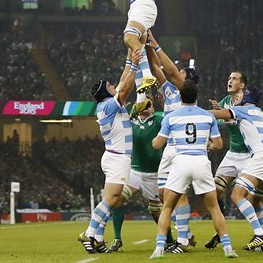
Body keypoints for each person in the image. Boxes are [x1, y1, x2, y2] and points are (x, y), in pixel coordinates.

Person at [149, 80, 237, 259]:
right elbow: (219, 145)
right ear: (197, 96)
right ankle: (227, 247)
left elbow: (158, 144)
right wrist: (208, 147)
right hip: (200, 162)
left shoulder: (171, 117)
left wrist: (154, 140)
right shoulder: (208, 116)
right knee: (213, 208)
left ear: (180, 97)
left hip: (180, 162)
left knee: (167, 207)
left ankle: (159, 249)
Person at [77, 49, 141, 254]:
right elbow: (125, 87)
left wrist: (130, 61)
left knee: (112, 199)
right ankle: (88, 233)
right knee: (111, 199)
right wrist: (136, 66)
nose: (114, 85)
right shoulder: (107, 105)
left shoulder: (107, 105)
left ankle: (97, 238)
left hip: (115, 156)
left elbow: (122, 82)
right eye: (110, 86)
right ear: (106, 92)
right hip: (117, 158)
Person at [144, 31, 199, 252]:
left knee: (179, 194)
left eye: (182, 71)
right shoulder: (169, 92)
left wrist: (155, 43)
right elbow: (157, 69)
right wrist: (147, 46)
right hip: (169, 149)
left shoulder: (188, 93)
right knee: (162, 194)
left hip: (182, 149)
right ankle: (185, 232)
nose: (178, 71)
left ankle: (183, 240)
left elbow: (169, 70)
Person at [209, 86, 263, 251]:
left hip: (261, 157)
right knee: (255, 201)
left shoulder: (243, 110)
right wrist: (226, 113)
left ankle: (259, 234)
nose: (237, 96)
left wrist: (192, 112)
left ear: (246, 96)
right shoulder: (258, 112)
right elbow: (230, 120)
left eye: (240, 93)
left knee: (237, 195)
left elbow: (217, 115)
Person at [109, 94, 175, 251]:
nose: (146, 105)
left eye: (149, 103)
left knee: (156, 212)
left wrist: (165, 103)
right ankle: (117, 239)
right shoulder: (130, 123)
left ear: (152, 107)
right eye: (143, 103)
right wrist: (122, 109)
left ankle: (170, 241)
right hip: (135, 173)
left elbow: (171, 118)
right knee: (117, 200)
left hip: (154, 175)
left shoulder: (159, 120)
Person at [205, 71, 254, 250]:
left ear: (242, 85)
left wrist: (223, 115)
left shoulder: (247, 101)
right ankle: (220, 233)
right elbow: (220, 119)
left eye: (234, 79)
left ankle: (261, 235)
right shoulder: (225, 101)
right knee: (214, 192)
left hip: (249, 156)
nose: (230, 80)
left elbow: (237, 119)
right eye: (229, 78)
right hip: (232, 154)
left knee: (250, 199)